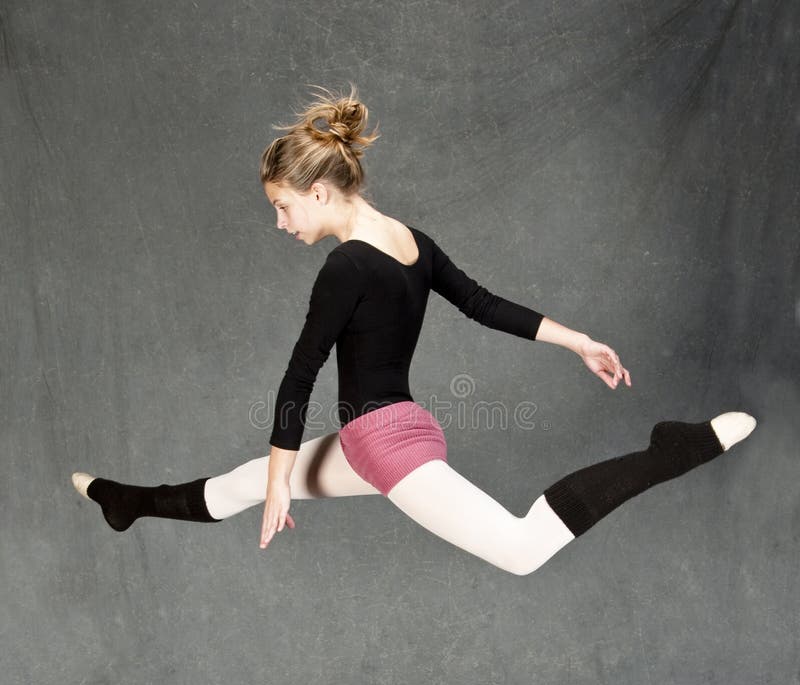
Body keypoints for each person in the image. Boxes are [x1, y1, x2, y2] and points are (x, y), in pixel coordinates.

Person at [72, 84, 756, 576]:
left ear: (317, 192)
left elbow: (299, 373)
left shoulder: (347, 265)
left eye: (282, 208)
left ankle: (671, 450)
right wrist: (577, 339)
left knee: (520, 551)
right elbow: (484, 305)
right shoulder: (411, 242)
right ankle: (122, 499)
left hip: (381, 445)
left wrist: (287, 482)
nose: (281, 225)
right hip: (402, 429)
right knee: (242, 483)